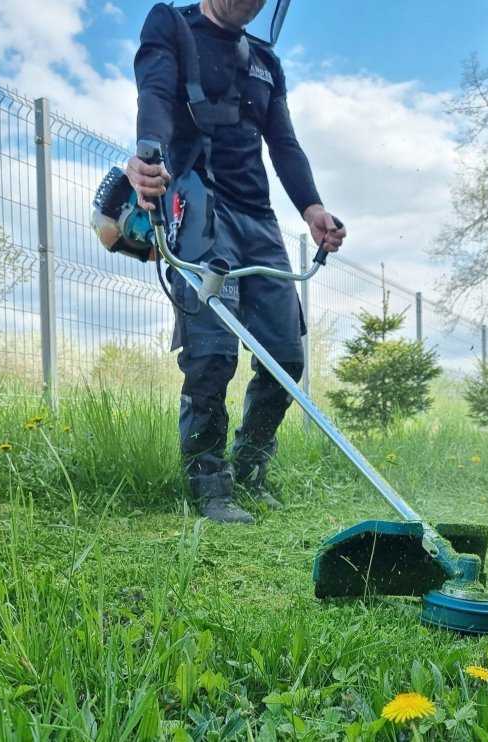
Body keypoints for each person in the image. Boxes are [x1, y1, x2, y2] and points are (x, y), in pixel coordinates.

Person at [126, 0, 346, 524]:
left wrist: (312, 207)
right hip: (198, 201)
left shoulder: (266, 61)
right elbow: (154, 93)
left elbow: (284, 143)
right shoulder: (172, 26)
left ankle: (251, 468)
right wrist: (148, 153)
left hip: (258, 217)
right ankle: (208, 482)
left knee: (285, 356)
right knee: (212, 350)